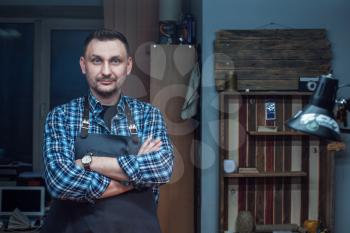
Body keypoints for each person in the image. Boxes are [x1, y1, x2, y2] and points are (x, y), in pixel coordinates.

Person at [41, 29, 174, 233]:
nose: (106, 71)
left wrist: (89, 162)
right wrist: (136, 179)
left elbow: (162, 169)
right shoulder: (61, 116)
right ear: (83, 65)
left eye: (115, 61)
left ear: (128, 66)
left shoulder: (149, 116)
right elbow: (61, 181)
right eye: (96, 61)